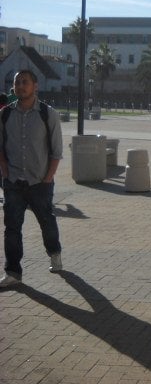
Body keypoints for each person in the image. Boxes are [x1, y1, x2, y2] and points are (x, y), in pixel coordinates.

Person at [0, 70, 64, 287]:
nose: (20, 86)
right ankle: (13, 272)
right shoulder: (5, 114)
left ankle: (54, 252)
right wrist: (5, 172)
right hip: (13, 182)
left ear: (35, 86)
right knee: (11, 228)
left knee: (47, 222)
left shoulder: (48, 114)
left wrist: (48, 178)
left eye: (24, 82)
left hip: (40, 182)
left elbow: (56, 151)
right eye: (17, 82)